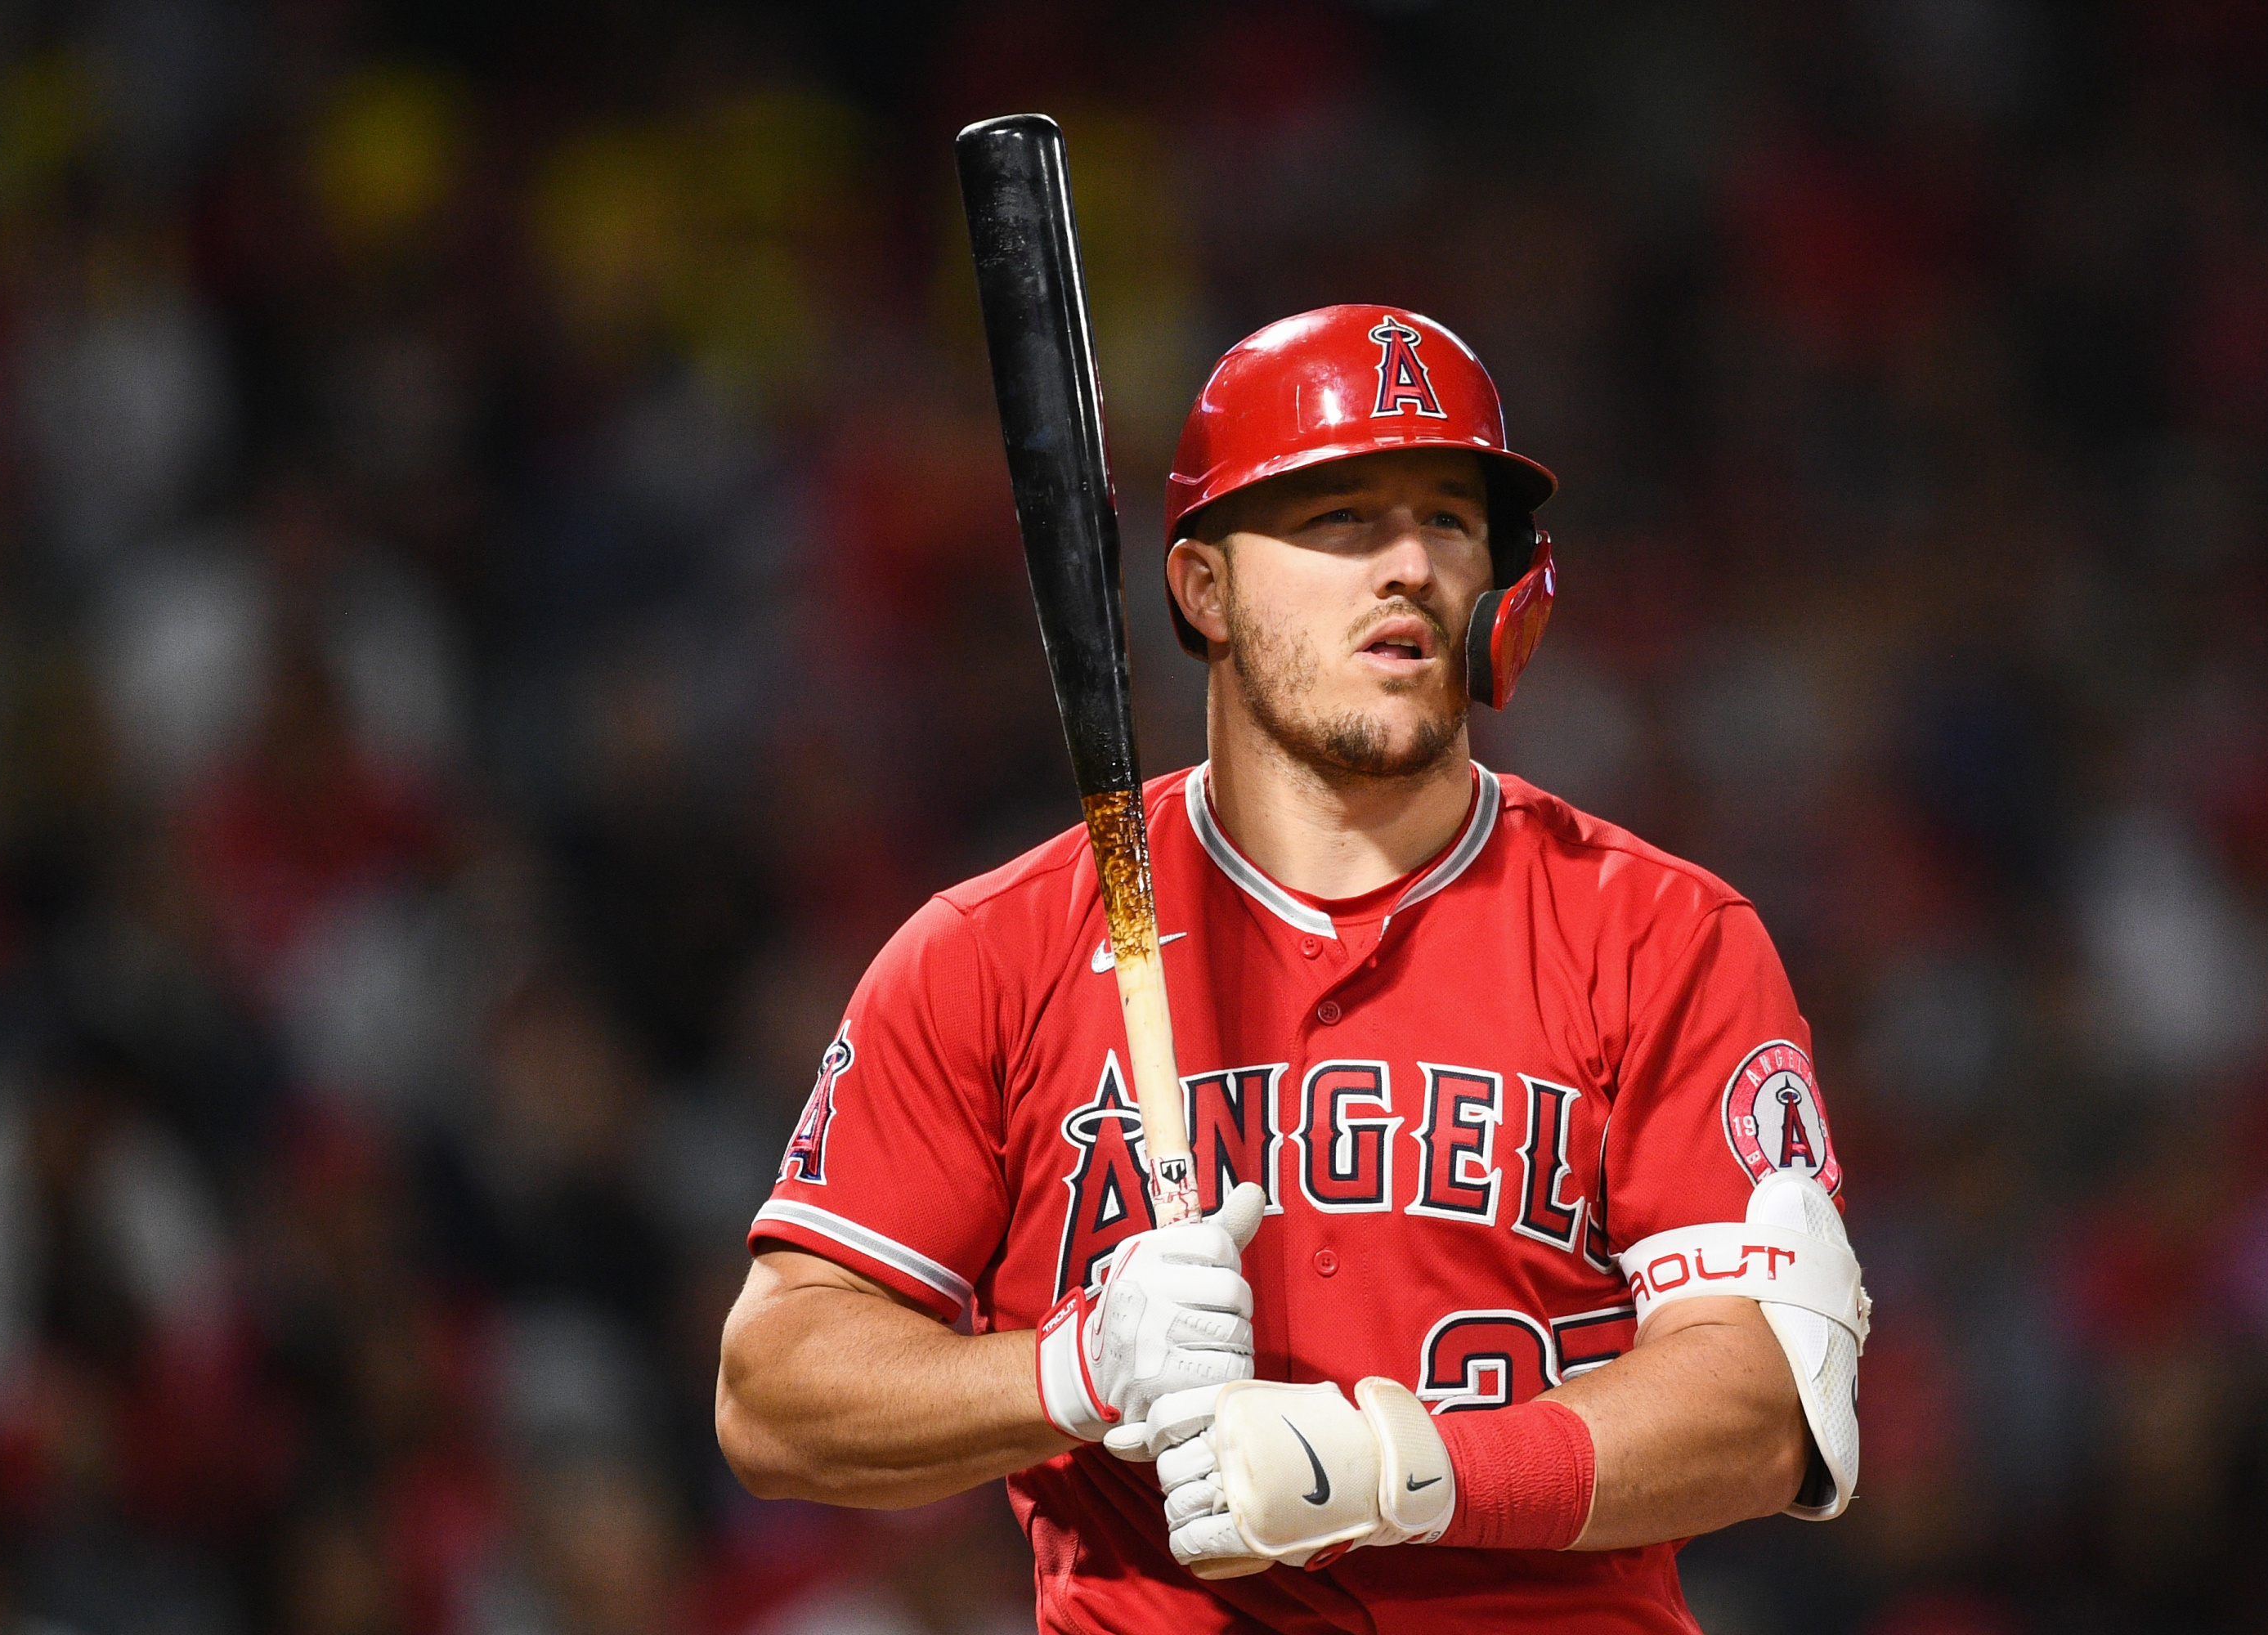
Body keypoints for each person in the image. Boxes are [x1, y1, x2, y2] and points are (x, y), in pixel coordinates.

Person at [715, 305, 1868, 1632]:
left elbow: (1766, 1402)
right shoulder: (1000, 951)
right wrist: (1071, 1369)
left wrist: (1406, 1472)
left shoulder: (1658, 934)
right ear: (1203, 588)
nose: (1408, 568)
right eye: (1338, 522)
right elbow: (775, 1392)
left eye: (1448, 520)